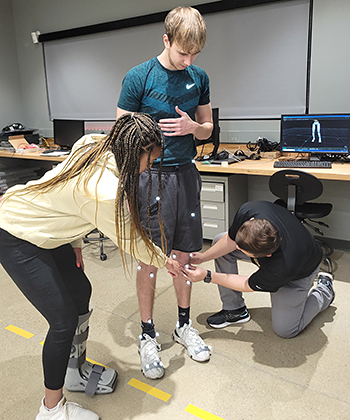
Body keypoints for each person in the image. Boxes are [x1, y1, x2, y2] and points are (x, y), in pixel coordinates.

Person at [0, 113, 179, 420]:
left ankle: (73, 371)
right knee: (63, 321)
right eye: (149, 162)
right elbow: (133, 241)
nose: (148, 169)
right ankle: (51, 409)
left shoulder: (93, 143)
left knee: (81, 292)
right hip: (16, 230)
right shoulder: (105, 191)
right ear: (135, 152)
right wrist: (166, 262)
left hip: (49, 228)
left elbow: (69, 197)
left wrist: (75, 244)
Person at [116, 6, 214, 379]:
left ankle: (184, 325)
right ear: (166, 40)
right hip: (150, 177)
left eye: (194, 55)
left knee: (186, 253)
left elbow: (207, 128)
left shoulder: (199, 77)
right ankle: (146, 333)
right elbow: (121, 136)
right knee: (151, 257)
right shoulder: (138, 77)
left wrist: (193, 127)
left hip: (186, 174)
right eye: (181, 53)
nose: (188, 60)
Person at [181, 200, 335, 339]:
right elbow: (230, 241)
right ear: (252, 221)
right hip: (286, 249)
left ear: (266, 255)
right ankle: (235, 310)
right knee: (218, 241)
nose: (237, 248)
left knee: (286, 330)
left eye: (242, 249)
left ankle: (324, 290)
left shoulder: (282, 266)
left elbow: (247, 284)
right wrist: (202, 257)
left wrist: (208, 276)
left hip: (302, 269)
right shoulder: (250, 210)